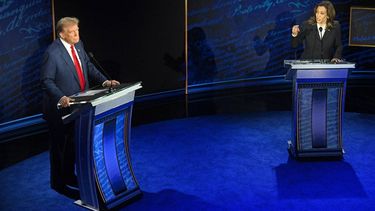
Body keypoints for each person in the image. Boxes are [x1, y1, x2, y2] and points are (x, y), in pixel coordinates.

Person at [41, 17, 119, 198]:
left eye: (77, 30)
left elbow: (88, 66)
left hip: (79, 106)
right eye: (72, 32)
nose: (77, 34)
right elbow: (46, 81)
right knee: (59, 148)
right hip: (59, 109)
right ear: (62, 34)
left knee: (72, 146)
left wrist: (105, 81)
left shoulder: (79, 44)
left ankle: (69, 175)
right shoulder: (52, 53)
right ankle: (58, 183)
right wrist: (61, 97)